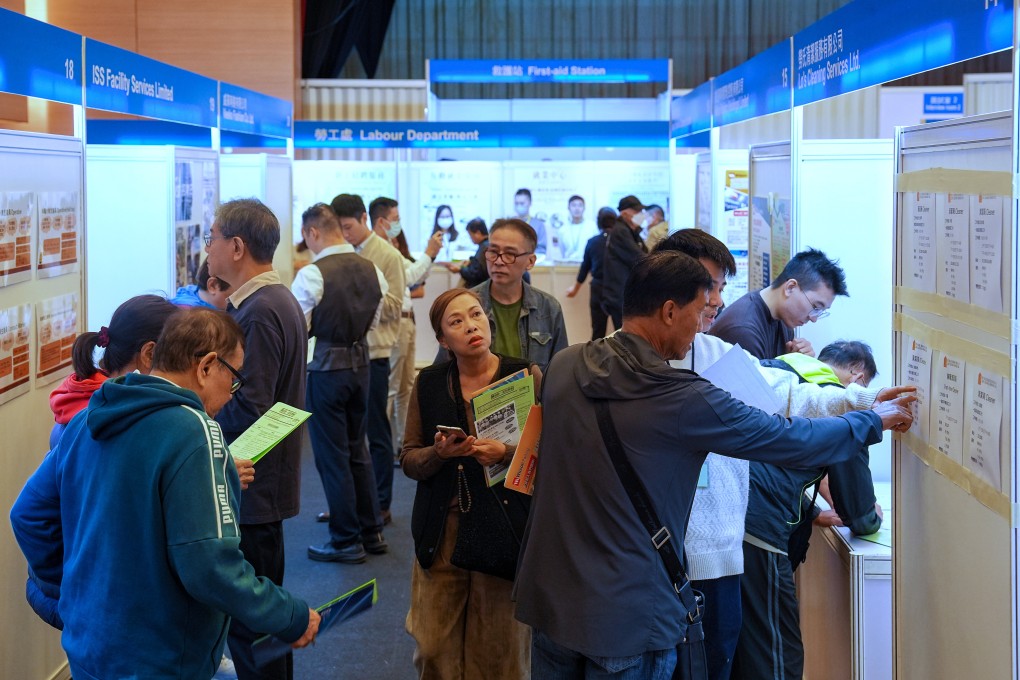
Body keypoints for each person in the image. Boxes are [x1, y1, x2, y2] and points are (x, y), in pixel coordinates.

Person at [513, 251, 914, 679]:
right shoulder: (680, 398)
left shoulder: (565, 364)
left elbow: (777, 393)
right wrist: (869, 421)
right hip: (627, 612)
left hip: (551, 602)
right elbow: (785, 439)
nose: (704, 325)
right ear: (669, 311)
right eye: (701, 309)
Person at [653, 229, 911, 680]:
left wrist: (862, 402)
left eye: (719, 288)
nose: (715, 301)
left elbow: (783, 397)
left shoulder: (713, 349)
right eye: (707, 287)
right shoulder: (635, 364)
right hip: (669, 556)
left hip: (721, 551)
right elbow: (777, 432)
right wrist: (865, 417)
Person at [11, 308, 320, 680]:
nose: (231, 395)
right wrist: (290, 616)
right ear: (206, 366)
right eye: (234, 379)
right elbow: (211, 567)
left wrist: (74, 596)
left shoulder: (85, 420)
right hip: (159, 658)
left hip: (90, 648)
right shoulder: (195, 432)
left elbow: (28, 514)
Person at [401, 288, 537, 679]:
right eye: (456, 322)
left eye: (476, 315)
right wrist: (439, 454)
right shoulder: (428, 383)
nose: (470, 326)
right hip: (442, 528)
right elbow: (409, 458)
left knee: (499, 654)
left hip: (505, 526)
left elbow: (551, 451)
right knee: (433, 648)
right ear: (443, 340)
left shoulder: (524, 374)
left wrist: (506, 453)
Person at [732, 341, 884, 680]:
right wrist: (874, 519)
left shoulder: (780, 368)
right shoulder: (838, 401)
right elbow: (858, 511)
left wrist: (811, 508)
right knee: (777, 654)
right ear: (858, 377)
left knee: (743, 645)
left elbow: (772, 456)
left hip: (725, 516)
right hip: (760, 531)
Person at [204, 197, 309, 680]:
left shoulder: (261, 311)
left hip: (252, 489)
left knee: (255, 632)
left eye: (211, 238)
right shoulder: (272, 300)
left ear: (237, 246)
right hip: (261, 487)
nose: (207, 249)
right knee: (259, 629)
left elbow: (250, 407)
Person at [292, 203, 388, 564]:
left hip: (326, 369)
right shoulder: (373, 270)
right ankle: (371, 530)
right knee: (357, 449)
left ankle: (346, 538)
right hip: (362, 365)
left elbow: (297, 329)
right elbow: (375, 321)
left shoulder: (312, 275)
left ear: (312, 232)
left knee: (333, 456)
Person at [333, 193, 407, 523]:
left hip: (375, 352)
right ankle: (348, 505)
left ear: (364, 219)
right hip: (342, 351)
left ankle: (381, 504)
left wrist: (357, 299)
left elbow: (396, 306)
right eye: (339, 228)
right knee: (346, 435)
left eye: (348, 227)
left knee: (376, 430)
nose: (345, 234)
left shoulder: (387, 255)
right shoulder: (341, 252)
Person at [372, 196, 444, 495]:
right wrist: (429, 252)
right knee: (392, 388)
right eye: (396, 217)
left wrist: (429, 256)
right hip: (396, 323)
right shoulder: (381, 251)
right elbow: (410, 277)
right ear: (381, 221)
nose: (399, 223)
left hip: (406, 321)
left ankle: (402, 445)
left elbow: (415, 278)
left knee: (402, 389)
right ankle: (386, 447)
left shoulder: (389, 249)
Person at [709, 248, 849, 359]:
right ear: (790, 287)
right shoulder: (743, 330)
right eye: (816, 307)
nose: (813, 318)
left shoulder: (784, 319)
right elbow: (757, 393)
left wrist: (797, 361)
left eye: (820, 311)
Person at [471, 218, 567, 373]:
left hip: (534, 397)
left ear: (530, 261)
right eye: (493, 252)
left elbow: (561, 371)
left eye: (510, 254)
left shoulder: (548, 308)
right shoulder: (467, 303)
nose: (499, 261)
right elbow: (444, 368)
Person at [565, 207, 615, 340]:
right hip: (619, 289)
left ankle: (596, 360)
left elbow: (584, 268)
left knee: (598, 331)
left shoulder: (593, 242)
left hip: (598, 289)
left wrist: (575, 289)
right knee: (622, 330)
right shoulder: (623, 241)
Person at [600, 194, 649, 329]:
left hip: (627, 295)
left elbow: (646, 253)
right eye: (637, 211)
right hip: (619, 295)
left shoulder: (631, 231)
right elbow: (640, 257)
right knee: (625, 337)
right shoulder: (620, 231)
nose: (641, 215)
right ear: (625, 213)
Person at [444, 218, 490, 288]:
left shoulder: (484, 247)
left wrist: (460, 269)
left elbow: (476, 275)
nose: (470, 238)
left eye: (470, 235)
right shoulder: (485, 245)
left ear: (478, 233)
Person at [555, 195, 596, 262]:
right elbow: (561, 250)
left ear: (584, 208)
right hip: (567, 266)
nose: (577, 208)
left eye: (580, 205)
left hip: (588, 265)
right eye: (574, 205)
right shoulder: (562, 229)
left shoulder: (592, 226)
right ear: (568, 208)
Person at [511, 188, 547, 256]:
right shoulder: (509, 224)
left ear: (530, 203)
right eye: (516, 203)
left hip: (533, 263)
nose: (519, 206)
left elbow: (541, 249)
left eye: (522, 203)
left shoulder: (538, 225)